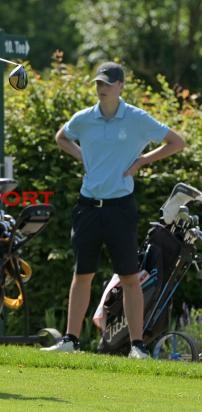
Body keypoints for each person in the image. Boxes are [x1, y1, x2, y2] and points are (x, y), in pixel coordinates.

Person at [41, 62, 185, 358]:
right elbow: (61, 137)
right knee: (83, 275)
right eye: (98, 84)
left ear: (120, 86)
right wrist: (82, 156)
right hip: (88, 207)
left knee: (130, 277)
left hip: (120, 208)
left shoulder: (136, 119)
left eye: (107, 83)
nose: (101, 88)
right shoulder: (85, 119)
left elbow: (176, 142)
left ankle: (136, 345)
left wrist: (142, 161)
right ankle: (71, 340)